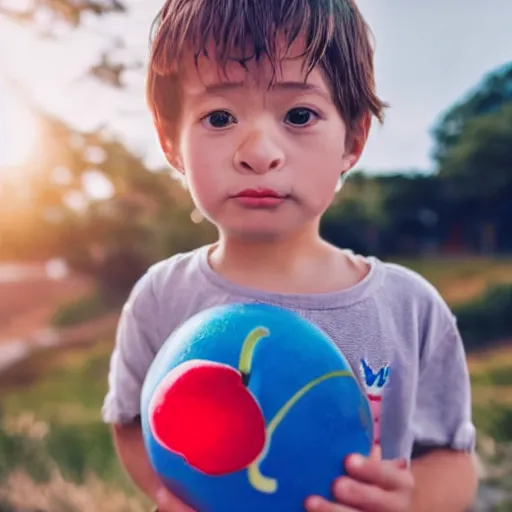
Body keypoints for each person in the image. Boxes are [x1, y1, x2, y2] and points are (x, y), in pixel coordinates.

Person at [101, 0, 478, 510]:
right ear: (171, 141)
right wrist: (178, 496)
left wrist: (410, 504)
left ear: (354, 138)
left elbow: (452, 457)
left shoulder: (411, 308)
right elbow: (132, 423)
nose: (258, 152)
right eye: (220, 116)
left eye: (299, 115)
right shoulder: (161, 297)